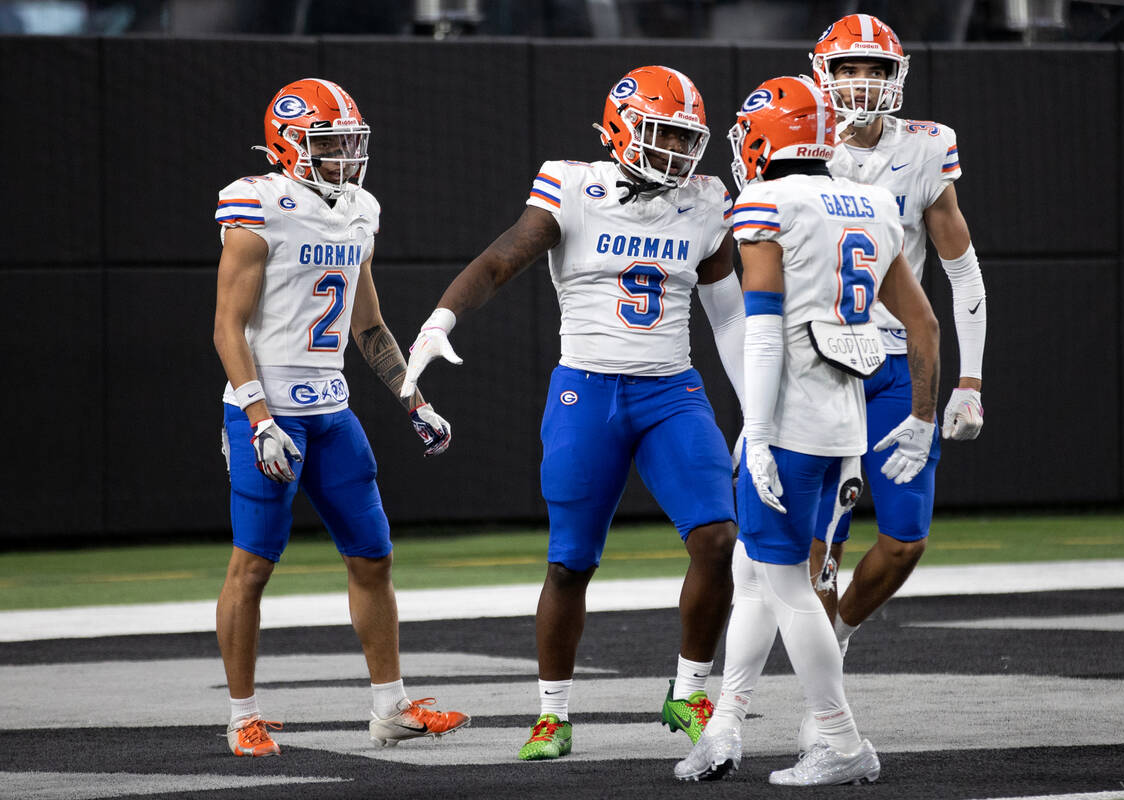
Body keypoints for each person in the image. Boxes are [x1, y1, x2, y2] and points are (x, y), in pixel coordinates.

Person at [398, 65, 745, 761]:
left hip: (670, 390)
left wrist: (754, 414)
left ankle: (689, 688)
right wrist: (442, 317)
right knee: (570, 563)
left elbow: (729, 316)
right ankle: (553, 714)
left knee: (716, 539)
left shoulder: (707, 200)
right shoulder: (573, 185)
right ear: (620, 129)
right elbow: (501, 260)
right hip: (586, 393)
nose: (677, 152)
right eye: (661, 134)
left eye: (686, 138)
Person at [674, 75, 940, 785]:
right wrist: (921, 414)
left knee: (788, 585)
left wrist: (756, 432)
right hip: (843, 417)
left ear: (767, 136)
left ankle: (840, 737)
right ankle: (726, 724)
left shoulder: (769, 201)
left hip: (790, 419)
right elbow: (923, 322)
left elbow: (762, 330)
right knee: (754, 572)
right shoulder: (874, 202)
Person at [212, 78, 469, 757]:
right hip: (269, 414)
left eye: (348, 144)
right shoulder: (258, 204)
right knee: (254, 566)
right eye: (327, 144)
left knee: (374, 557)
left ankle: (390, 708)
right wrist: (260, 417)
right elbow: (227, 330)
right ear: (288, 146)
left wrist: (416, 398)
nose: (343, 157)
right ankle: (243, 717)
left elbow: (370, 326)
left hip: (332, 412)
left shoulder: (359, 210)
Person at [806, 13, 987, 655]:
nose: (861, 82)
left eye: (875, 69)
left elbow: (962, 273)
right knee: (819, 537)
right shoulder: (797, 139)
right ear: (822, 75)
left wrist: (969, 380)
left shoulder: (925, 146)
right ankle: (817, 671)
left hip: (894, 355)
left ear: (897, 77)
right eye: (848, 68)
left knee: (905, 537)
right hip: (821, 358)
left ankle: (836, 636)